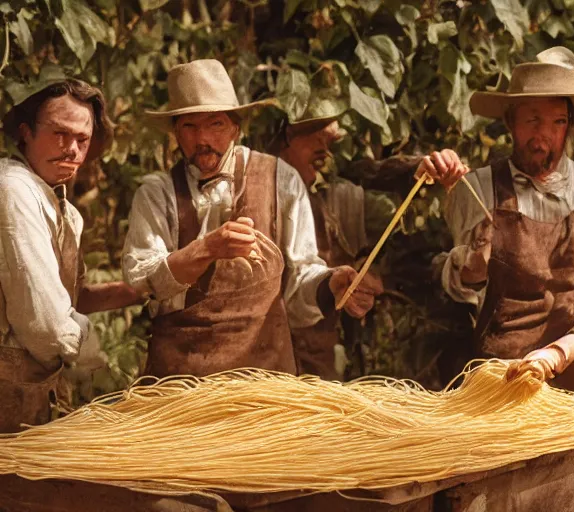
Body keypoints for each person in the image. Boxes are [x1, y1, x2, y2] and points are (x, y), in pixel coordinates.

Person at [123, 60, 379, 377]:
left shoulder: (280, 180)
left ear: (236, 126)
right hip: (181, 383)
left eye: (215, 124)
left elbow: (300, 283)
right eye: (190, 126)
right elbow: (143, 279)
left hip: (263, 383)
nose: (202, 138)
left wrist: (332, 283)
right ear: (175, 131)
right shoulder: (156, 194)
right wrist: (206, 249)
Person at [415, 47, 574, 392]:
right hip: (500, 381)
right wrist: (471, 269)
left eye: (557, 122)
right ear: (511, 122)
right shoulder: (480, 188)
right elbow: (457, 285)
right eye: (533, 120)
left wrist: (563, 352)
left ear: (570, 126)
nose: (544, 135)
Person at [0, 78, 139, 432]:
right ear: (26, 132)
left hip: (28, 396)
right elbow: (46, 325)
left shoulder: (61, 207)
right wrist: (92, 353)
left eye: (82, 139)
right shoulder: (13, 189)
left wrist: (145, 287)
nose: (72, 149)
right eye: (60, 134)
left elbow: (72, 299)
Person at [271, 95, 385, 380]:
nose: (325, 153)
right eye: (317, 140)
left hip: (316, 364)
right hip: (260, 364)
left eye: (330, 144)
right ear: (288, 136)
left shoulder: (337, 198)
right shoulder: (253, 190)